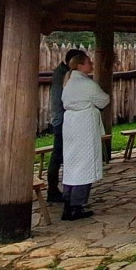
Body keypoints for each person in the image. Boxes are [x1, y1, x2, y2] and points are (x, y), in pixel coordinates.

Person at [60, 51, 110, 220]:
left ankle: (68, 202)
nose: (92, 65)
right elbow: (103, 100)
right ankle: (77, 205)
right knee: (85, 165)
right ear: (80, 65)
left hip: (70, 126)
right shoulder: (87, 84)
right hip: (84, 127)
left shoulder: (68, 83)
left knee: (71, 164)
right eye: (89, 62)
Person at [46, 48, 84, 203]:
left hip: (62, 118)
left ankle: (61, 189)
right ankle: (53, 189)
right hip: (63, 120)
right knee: (58, 155)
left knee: (60, 154)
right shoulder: (64, 74)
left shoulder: (62, 72)